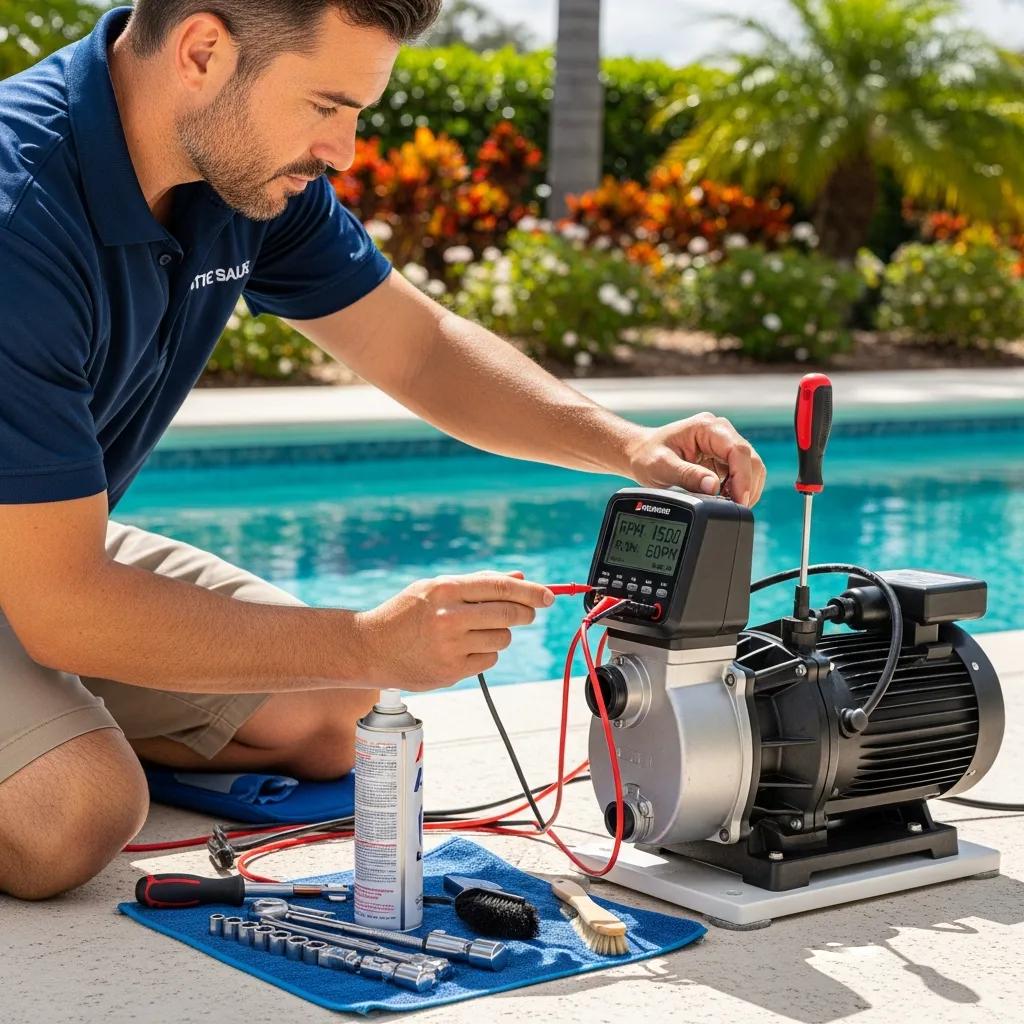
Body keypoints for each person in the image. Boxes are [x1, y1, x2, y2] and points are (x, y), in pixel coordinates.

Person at [0, 0, 767, 900]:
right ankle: (53, 744)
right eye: (327, 106)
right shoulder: (21, 215)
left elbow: (419, 347)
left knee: (333, 710)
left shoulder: (235, 168)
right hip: (47, 576)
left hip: (33, 546)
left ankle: (47, 715)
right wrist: (369, 638)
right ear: (203, 51)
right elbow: (61, 606)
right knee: (75, 813)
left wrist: (629, 445)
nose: (346, 151)